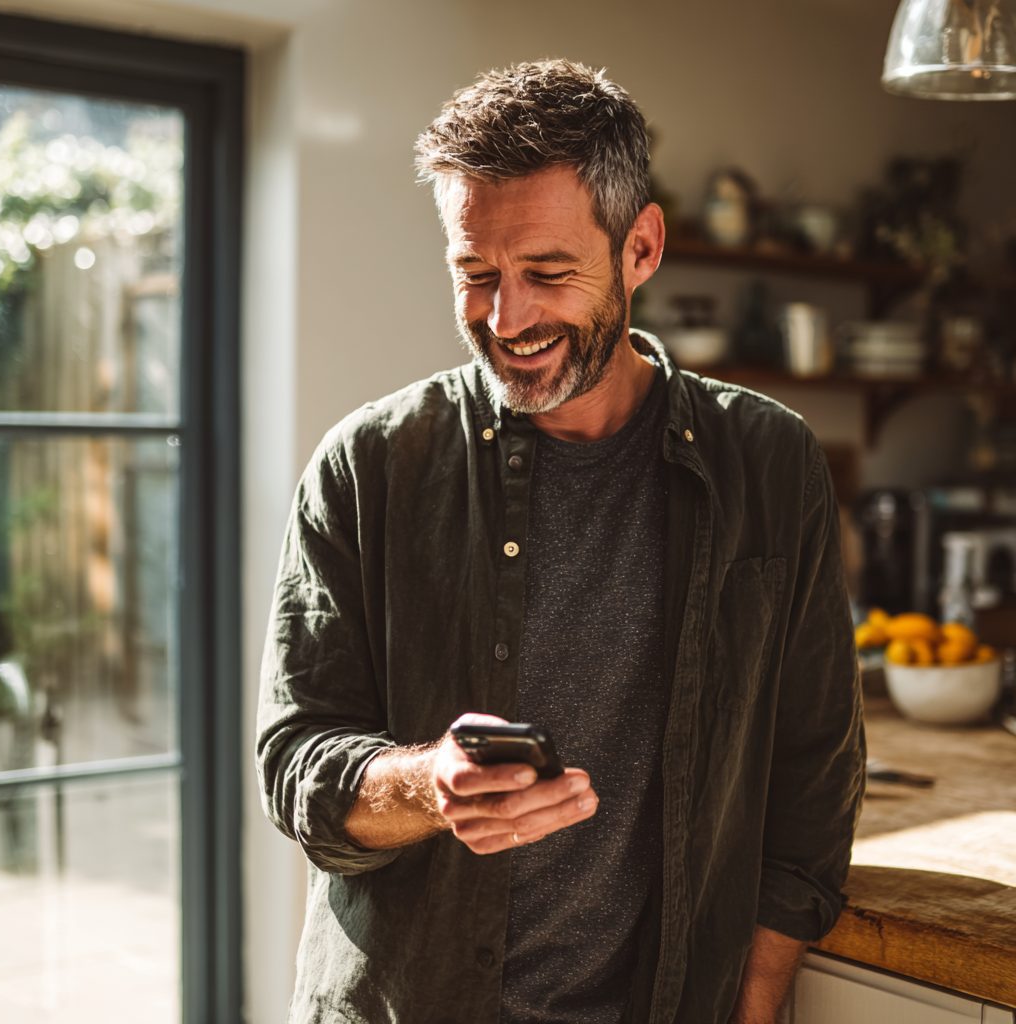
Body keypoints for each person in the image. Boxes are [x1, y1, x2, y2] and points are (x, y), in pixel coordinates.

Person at [257, 59, 865, 1024]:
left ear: (641, 247)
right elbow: (296, 763)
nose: (508, 319)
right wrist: (429, 785)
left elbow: (811, 779)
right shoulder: (367, 465)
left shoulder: (771, 462)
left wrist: (749, 1010)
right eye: (475, 275)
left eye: (547, 273)